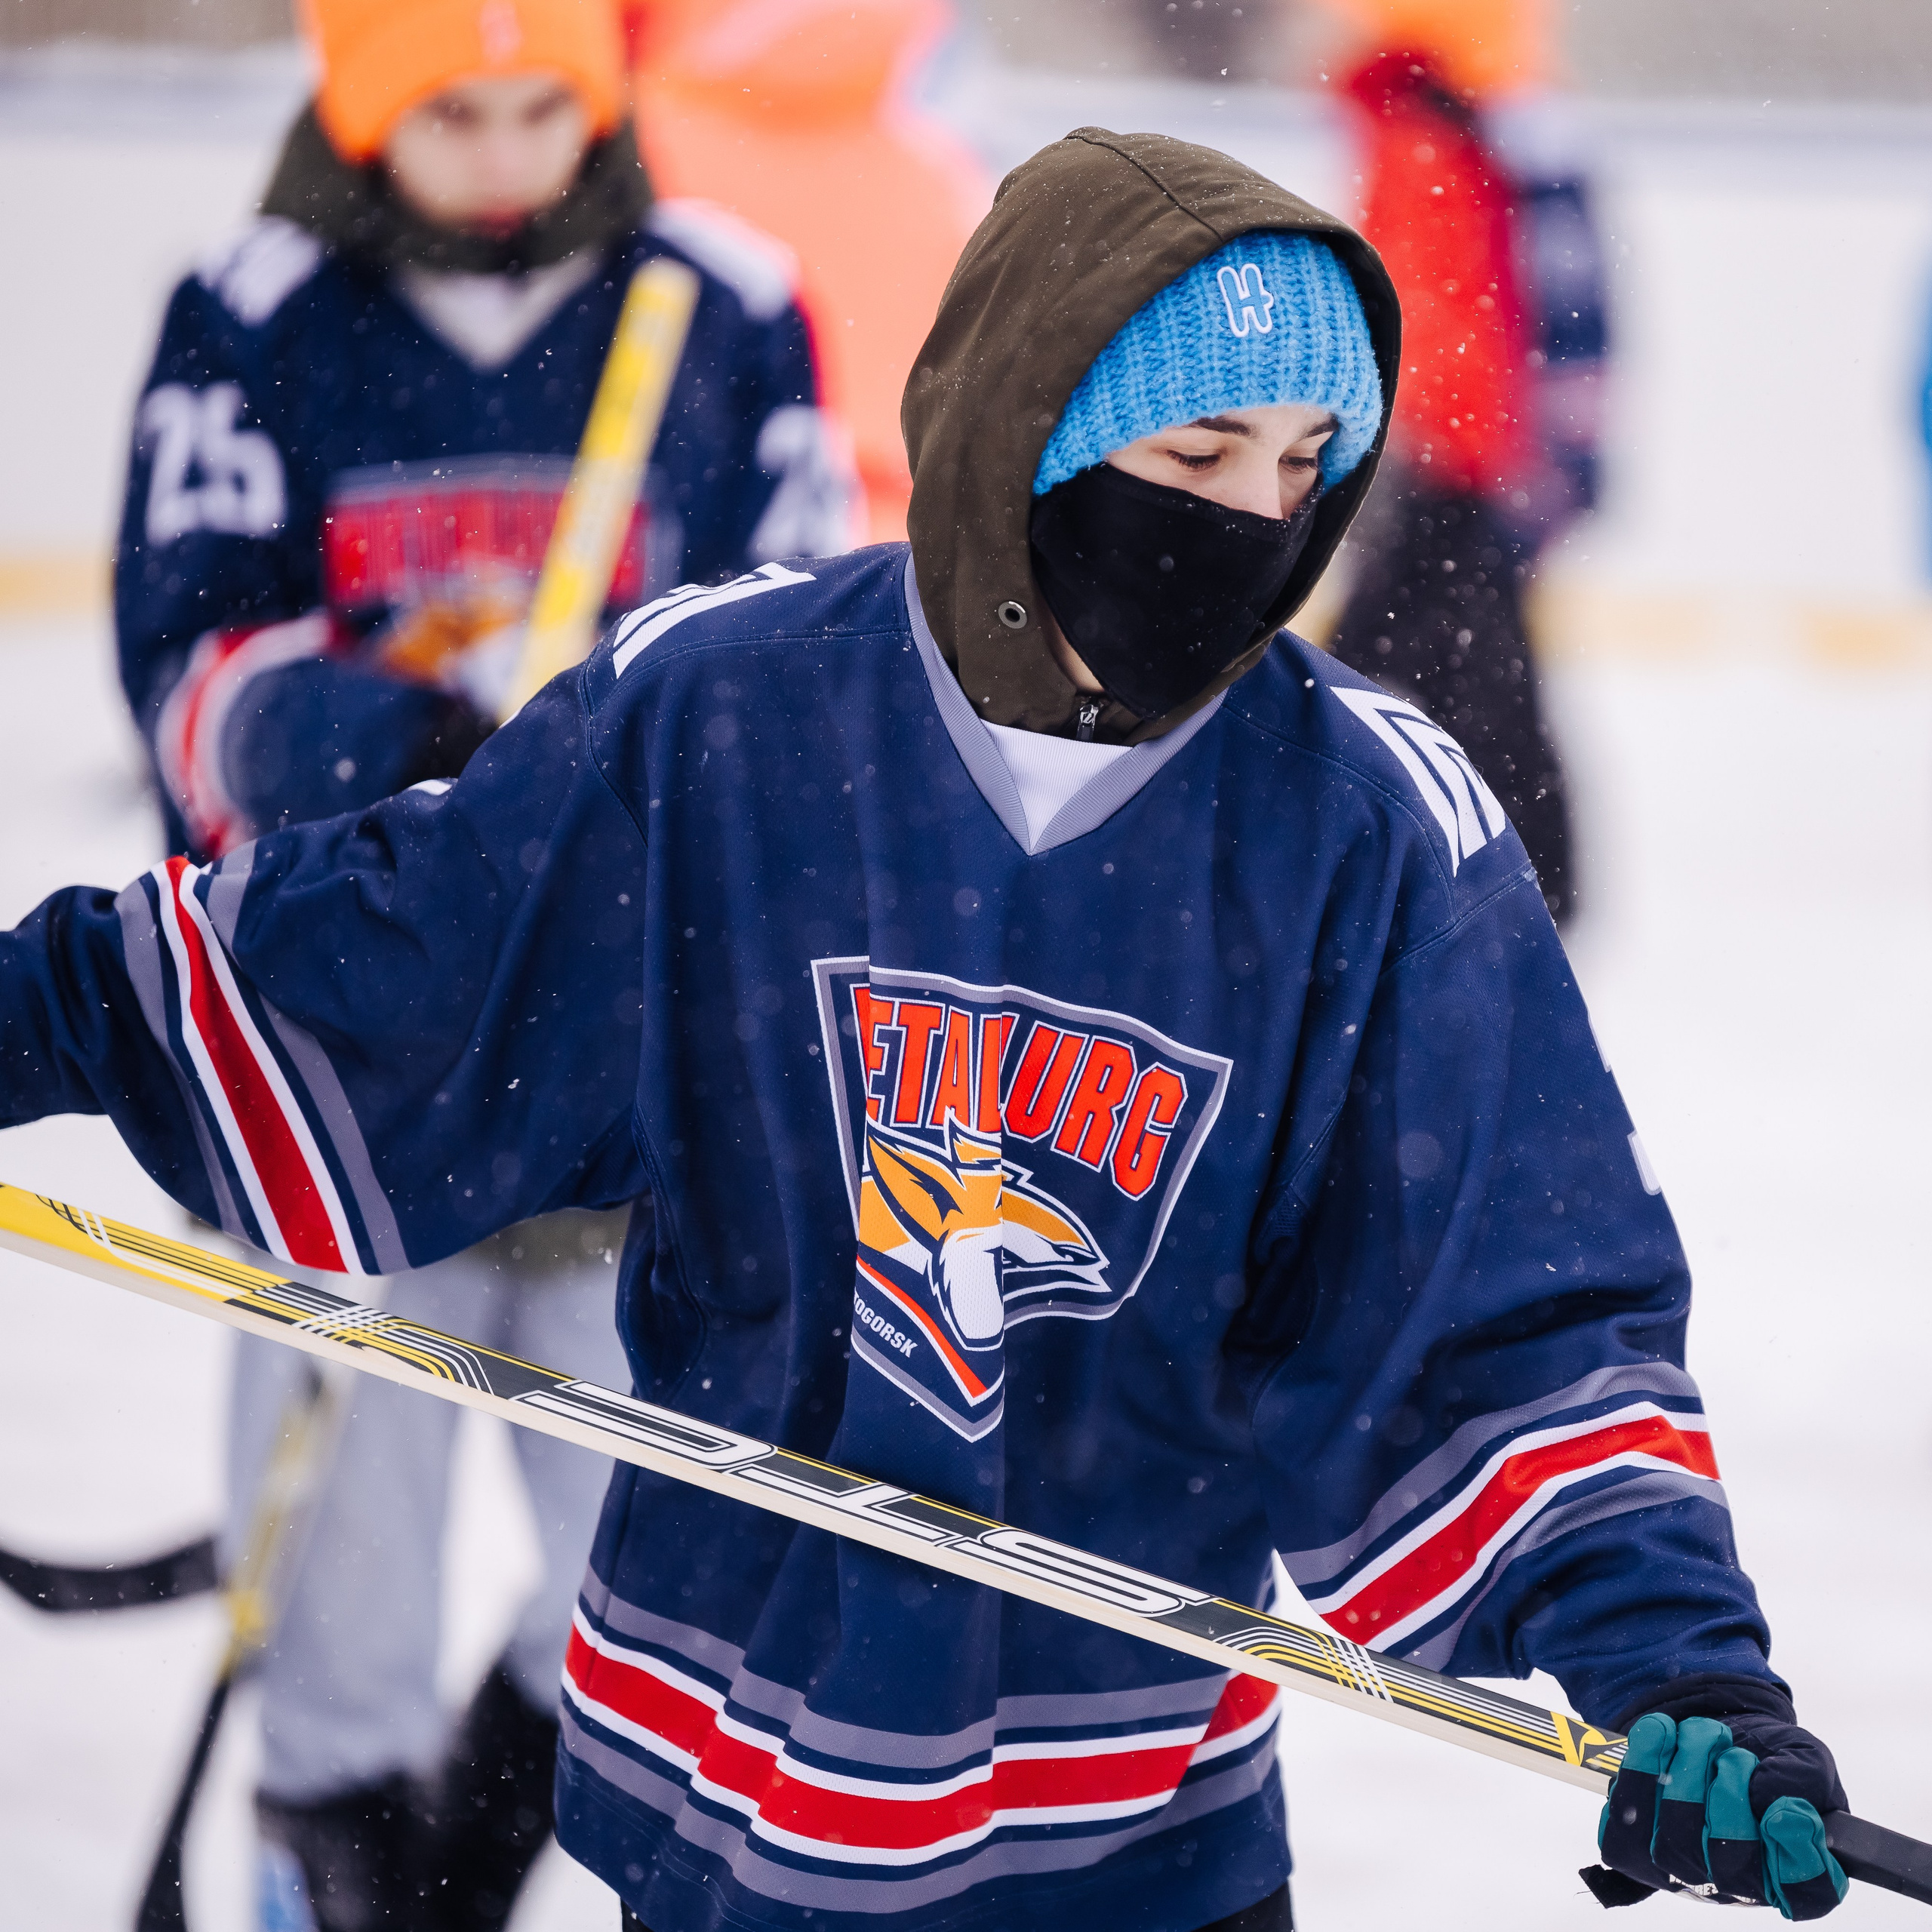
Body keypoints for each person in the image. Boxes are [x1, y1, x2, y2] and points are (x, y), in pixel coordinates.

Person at [17, 127, 1848, 1929]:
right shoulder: (728, 716)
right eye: (1195, 451)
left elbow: (1512, 1306)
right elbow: (392, 958)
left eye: (1305, 463)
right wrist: (34, 1015)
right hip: (726, 1819)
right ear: (1024, 432)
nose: (1253, 518)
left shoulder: (1363, 827)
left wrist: (1678, 1667)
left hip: (1141, 1841)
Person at [109, 0, 847, 1921]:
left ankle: (504, 1791)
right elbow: (188, 674)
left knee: (662, 1532)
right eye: (456, 113)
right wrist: (408, 752)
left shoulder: (721, 303)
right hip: (353, 1055)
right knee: (341, 1550)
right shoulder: (256, 312)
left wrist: (614, 764)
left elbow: (810, 666)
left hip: (635, 1058)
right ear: (364, 110)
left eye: (545, 107)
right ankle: (336, 1842)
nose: (511, 153)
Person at [1328, 47, 1582, 922]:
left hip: (1438, 471)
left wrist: (1408, 445)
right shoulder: (1460, 138)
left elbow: (1428, 313)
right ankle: (1533, 876)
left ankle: (1521, 878)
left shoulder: (1420, 142)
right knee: (1471, 679)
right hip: (1459, 465)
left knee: (1370, 681)